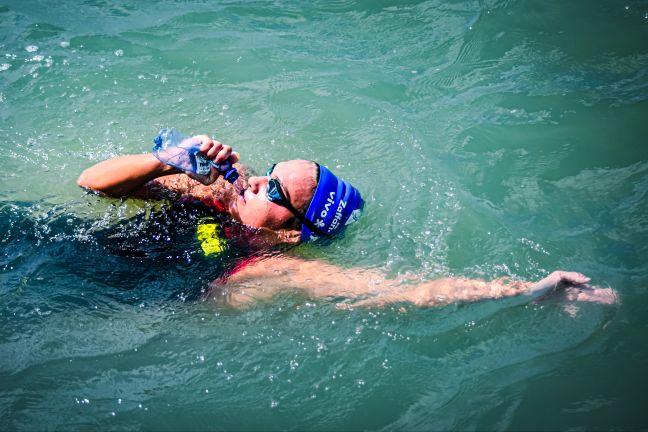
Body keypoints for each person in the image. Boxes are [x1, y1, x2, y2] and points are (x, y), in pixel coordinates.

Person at [77, 134, 617, 308]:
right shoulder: (212, 189)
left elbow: (402, 290)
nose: (256, 180)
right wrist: (166, 158)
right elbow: (91, 183)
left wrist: (526, 289)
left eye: (275, 188)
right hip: (51, 242)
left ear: (291, 230)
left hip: (81, 297)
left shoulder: (270, 266)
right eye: (268, 172)